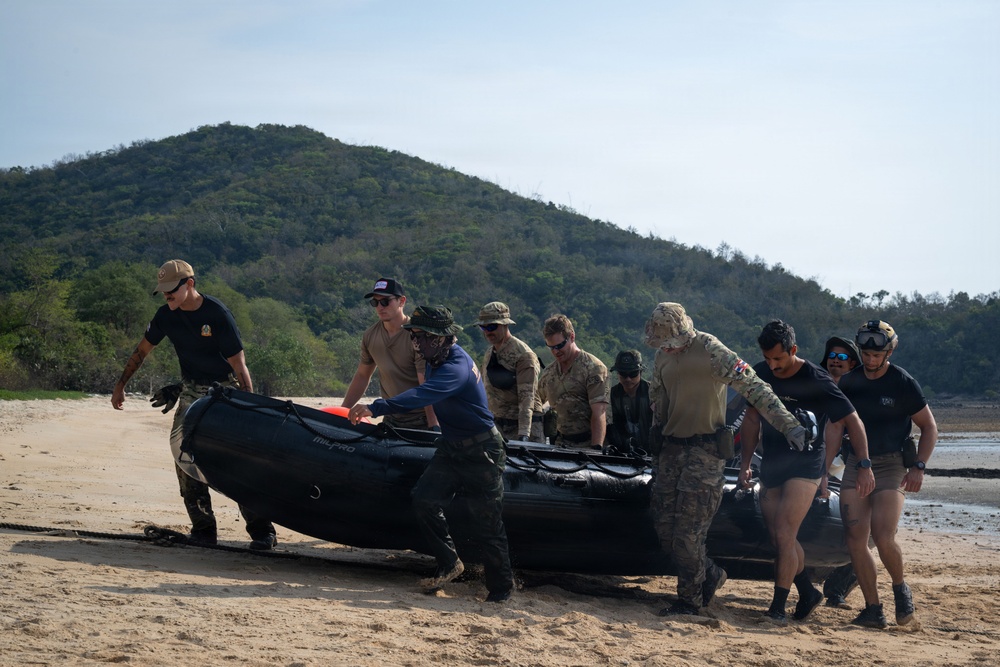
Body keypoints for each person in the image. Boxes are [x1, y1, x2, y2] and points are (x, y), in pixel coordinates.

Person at [643, 302, 811, 616]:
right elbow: (658, 391)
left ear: (686, 335)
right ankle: (710, 573)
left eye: (672, 344)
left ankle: (689, 601)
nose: (668, 349)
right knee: (666, 531)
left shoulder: (712, 351)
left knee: (688, 533)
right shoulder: (661, 355)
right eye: (663, 345)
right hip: (671, 449)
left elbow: (755, 388)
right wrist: (656, 422)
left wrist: (788, 425)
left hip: (705, 452)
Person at [347, 306, 514, 603]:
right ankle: (450, 562)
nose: (416, 342)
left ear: (440, 338)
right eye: (414, 336)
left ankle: (501, 589)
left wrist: (376, 407)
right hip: (452, 448)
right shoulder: (435, 359)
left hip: (481, 451)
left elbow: (424, 395)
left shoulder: (456, 366)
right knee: (424, 499)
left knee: (488, 522)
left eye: (422, 336)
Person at [111, 260, 277, 550]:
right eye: (162, 292)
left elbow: (240, 366)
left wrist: (249, 408)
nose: (166, 297)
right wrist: (120, 385)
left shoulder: (217, 314)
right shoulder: (165, 315)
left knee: (238, 459)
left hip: (225, 392)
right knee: (183, 456)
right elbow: (142, 350)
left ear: (189, 284)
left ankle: (262, 531)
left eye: (170, 291)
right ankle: (203, 529)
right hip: (190, 390)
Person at [738, 320, 869, 624]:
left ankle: (777, 608)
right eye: (768, 358)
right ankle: (808, 591)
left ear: (793, 350)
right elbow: (752, 420)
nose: (773, 365)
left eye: (779, 359)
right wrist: (745, 464)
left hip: (806, 465)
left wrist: (863, 465)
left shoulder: (817, 379)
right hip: (772, 463)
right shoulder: (761, 373)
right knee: (777, 538)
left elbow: (854, 421)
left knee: (785, 532)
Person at [826, 320, 937, 629]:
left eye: (877, 355)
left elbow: (929, 427)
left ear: (889, 351)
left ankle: (901, 588)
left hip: (891, 465)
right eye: (865, 354)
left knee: (883, 535)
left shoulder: (902, 382)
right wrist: (823, 469)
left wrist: (919, 466)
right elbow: (835, 427)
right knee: (855, 539)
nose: (870, 361)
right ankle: (873, 608)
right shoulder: (848, 383)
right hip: (856, 464)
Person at [340, 278, 438, 430]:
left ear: (402, 301)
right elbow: (362, 375)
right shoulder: (370, 335)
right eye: (375, 302)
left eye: (385, 301)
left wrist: (433, 425)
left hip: (420, 419)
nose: (380, 307)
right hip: (391, 418)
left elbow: (425, 385)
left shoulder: (417, 336)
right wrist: (342, 411)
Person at [818, 335, 862, 609]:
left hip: (846, 466)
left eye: (843, 357)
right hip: (813, 462)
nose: (836, 360)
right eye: (833, 355)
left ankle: (837, 589)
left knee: (861, 530)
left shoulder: (857, 395)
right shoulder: (814, 388)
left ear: (853, 364)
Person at [537, 314, 610, 449]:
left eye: (560, 346)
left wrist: (595, 449)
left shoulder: (593, 368)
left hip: (588, 443)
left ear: (571, 337)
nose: (556, 351)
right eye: (551, 347)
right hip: (561, 444)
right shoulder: (549, 373)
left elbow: (599, 412)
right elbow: (535, 402)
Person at [477, 301, 544, 443]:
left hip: (521, 427)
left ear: (504, 324)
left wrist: (524, 435)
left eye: (492, 326)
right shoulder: (490, 353)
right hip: (497, 425)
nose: (488, 331)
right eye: (484, 327)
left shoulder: (523, 355)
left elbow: (527, 398)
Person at [604, 350, 653, 455]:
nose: (628, 379)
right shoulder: (612, 395)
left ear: (640, 372)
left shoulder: (652, 393)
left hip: (652, 453)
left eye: (633, 373)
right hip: (623, 453)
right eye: (623, 374)